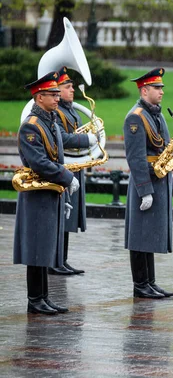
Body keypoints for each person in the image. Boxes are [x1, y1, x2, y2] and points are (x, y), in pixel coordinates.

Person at [15, 71, 78, 314]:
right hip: (36, 194)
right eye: (52, 94)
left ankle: (44, 296)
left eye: (56, 93)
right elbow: (39, 162)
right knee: (36, 248)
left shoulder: (48, 121)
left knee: (44, 246)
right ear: (39, 97)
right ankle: (35, 299)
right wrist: (66, 176)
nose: (57, 98)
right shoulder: (31, 127)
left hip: (49, 192)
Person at [124, 67, 173, 298]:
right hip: (144, 183)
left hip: (158, 178)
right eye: (157, 88)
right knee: (140, 235)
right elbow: (135, 158)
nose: (161, 91)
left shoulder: (157, 114)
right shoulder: (136, 117)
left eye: (161, 87)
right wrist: (144, 190)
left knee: (149, 234)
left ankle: (150, 282)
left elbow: (161, 145)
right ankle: (140, 284)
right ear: (144, 91)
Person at [50, 66, 97, 275]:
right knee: (60, 216)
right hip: (63, 167)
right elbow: (61, 138)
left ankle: (63, 259)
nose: (72, 90)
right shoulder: (57, 111)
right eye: (67, 87)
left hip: (74, 166)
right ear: (57, 90)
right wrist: (86, 139)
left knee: (67, 217)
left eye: (71, 87)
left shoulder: (70, 109)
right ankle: (54, 261)